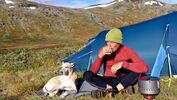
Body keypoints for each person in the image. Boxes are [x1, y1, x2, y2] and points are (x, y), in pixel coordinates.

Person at [83, 28, 149, 96]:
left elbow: (145, 68)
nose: (109, 45)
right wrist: (100, 56)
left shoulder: (128, 51)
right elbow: (94, 71)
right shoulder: (103, 50)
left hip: (122, 80)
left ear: (118, 43)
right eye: (107, 42)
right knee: (87, 74)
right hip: (107, 80)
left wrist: (123, 64)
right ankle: (114, 89)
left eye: (112, 42)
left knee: (137, 71)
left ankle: (113, 90)